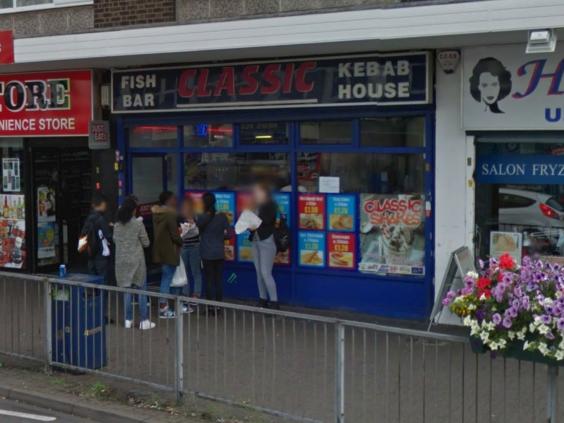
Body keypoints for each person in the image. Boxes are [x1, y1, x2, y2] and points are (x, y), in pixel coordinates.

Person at [113, 197, 155, 330]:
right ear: (133, 210)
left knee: (126, 290)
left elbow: (115, 240)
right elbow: (146, 243)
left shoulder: (117, 225)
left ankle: (128, 320)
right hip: (137, 261)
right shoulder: (138, 224)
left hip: (121, 262)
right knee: (141, 290)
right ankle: (144, 321)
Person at [152, 191, 183, 319]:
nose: (175, 201)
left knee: (166, 278)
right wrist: (181, 240)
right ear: (169, 200)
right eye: (173, 199)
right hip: (170, 250)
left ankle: (166, 306)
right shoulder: (170, 214)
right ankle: (164, 308)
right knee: (167, 279)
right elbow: (175, 235)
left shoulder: (157, 214)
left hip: (161, 251)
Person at [248, 183, 279, 309]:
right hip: (256, 239)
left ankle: (274, 302)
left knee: (266, 272)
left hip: (267, 239)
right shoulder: (256, 204)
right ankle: (262, 299)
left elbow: (266, 220)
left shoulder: (270, 204)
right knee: (259, 272)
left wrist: (253, 217)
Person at [196, 192, 230, 304]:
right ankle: (219, 306)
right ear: (214, 202)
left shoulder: (201, 217)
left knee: (209, 280)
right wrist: (220, 236)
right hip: (219, 252)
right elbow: (229, 234)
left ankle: (210, 307)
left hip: (206, 253)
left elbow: (197, 231)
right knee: (218, 280)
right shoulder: (222, 216)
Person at [81, 193, 112, 282]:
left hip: (90, 256)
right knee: (103, 282)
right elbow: (108, 236)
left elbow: (83, 235)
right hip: (101, 256)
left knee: (92, 282)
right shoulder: (101, 219)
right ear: (102, 204)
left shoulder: (88, 219)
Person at [180, 197, 203, 299]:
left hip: (195, 247)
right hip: (183, 247)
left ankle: (196, 294)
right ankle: (185, 294)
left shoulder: (196, 217)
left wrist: (193, 225)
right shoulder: (180, 217)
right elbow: (178, 232)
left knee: (195, 271)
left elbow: (199, 232)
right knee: (184, 272)